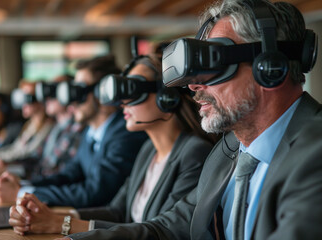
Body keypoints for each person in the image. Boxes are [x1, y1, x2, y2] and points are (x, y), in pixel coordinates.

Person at [47, 0, 320, 239]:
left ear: (269, 66)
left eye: (213, 64)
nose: (194, 86)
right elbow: (166, 229)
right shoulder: (226, 153)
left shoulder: (314, 155)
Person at [8, 55, 217, 236]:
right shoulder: (148, 151)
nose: (123, 101)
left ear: (167, 97)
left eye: (134, 89)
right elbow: (117, 211)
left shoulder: (193, 153)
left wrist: (63, 225)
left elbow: (159, 231)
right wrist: (52, 217)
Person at [0, 55, 148, 208]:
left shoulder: (125, 134)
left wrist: (23, 193)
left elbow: (95, 192)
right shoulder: (90, 132)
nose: (72, 100)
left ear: (103, 92)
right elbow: (68, 175)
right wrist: (24, 185)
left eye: (79, 91)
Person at [0, 80, 55, 178]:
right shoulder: (30, 125)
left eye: (28, 98)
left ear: (41, 100)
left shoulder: (48, 126)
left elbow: (24, 154)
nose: (23, 103)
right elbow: (14, 150)